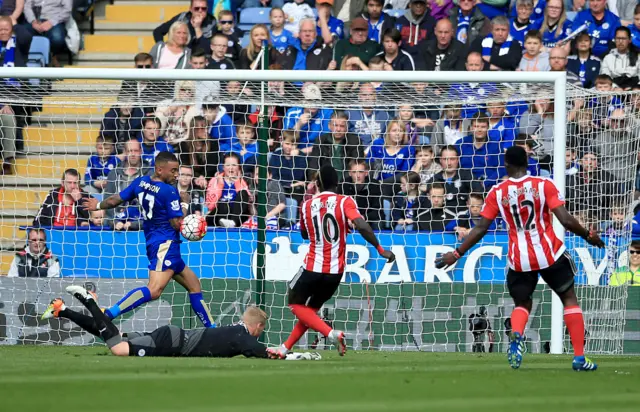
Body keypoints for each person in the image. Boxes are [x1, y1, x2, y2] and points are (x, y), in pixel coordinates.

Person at [436, 145, 604, 371]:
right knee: (569, 299)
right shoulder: (544, 185)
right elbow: (564, 219)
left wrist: (456, 253)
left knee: (522, 303)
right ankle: (579, 358)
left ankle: (516, 336)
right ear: (527, 162)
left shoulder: (497, 192)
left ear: (506, 164)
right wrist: (588, 235)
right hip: (549, 254)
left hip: (519, 259)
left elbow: (481, 228)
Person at [270, 164, 396, 358]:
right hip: (336, 271)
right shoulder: (345, 201)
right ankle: (284, 347)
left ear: (317, 183)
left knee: (295, 303)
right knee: (310, 311)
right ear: (337, 183)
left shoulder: (306, 204)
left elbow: (304, 234)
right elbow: (361, 224)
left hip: (313, 265)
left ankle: (330, 333)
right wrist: (380, 249)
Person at [81, 151, 215, 328]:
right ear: (159, 169)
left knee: (194, 284)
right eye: (173, 170)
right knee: (154, 290)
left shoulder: (141, 181)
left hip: (155, 242)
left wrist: (97, 205)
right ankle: (109, 314)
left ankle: (212, 329)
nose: (176, 175)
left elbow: (116, 199)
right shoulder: (169, 191)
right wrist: (184, 203)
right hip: (165, 244)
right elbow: (177, 224)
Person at [45, 290, 286, 359]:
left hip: (171, 336)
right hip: (171, 342)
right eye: (260, 331)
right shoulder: (242, 334)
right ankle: (90, 302)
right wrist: (280, 353)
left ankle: (63, 310)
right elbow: (256, 350)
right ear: (257, 326)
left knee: (112, 334)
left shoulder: (235, 330)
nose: (258, 335)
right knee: (118, 348)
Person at [205, 152, 252, 228]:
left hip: (235, 217)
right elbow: (210, 206)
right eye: (228, 165)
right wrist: (220, 185)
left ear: (239, 167)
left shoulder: (242, 181)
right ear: (223, 167)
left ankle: (232, 223)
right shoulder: (215, 180)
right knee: (224, 204)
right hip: (218, 215)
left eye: (234, 165)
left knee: (243, 193)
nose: (231, 168)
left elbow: (248, 203)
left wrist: (237, 183)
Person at [22, 0, 71, 66]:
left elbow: (67, 10)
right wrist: (33, 21)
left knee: (57, 38)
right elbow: (27, 6)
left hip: (54, 20)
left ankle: (52, 56)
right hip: (35, 20)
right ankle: (25, 60)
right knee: (21, 34)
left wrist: (51, 22)